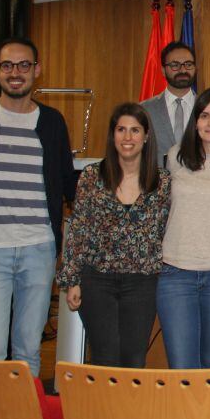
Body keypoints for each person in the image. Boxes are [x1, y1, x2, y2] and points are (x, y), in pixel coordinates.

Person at [0, 37, 77, 376]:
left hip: (38, 250)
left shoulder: (52, 122)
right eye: (8, 65)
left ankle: (24, 409)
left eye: (23, 65)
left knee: (28, 350)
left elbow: (67, 181)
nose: (15, 72)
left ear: (37, 70)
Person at [58, 103, 171, 368]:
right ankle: (101, 399)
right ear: (113, 135)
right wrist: (72, 280)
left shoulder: (162, 182)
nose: (127, 137)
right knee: (104, 357)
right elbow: (78, 229)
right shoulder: (91, 176)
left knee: (134, 358)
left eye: (135, 130)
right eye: (121, 130)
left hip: (142, 282)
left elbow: (168, 230)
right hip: (97, 280)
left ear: (146, 136)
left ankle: (128, 399)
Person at [156, 87, 210, 371]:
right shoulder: (175, 157)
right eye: (204, 115)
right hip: (175, 274)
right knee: (181, 365)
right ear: (195, 122)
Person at [140, 41, 198, 166]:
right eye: (175, 65)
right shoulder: (144, 110)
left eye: (188, 64)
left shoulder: (207, 109)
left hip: (198, 177)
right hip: (155, 177)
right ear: (163, 70)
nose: (183, 70)